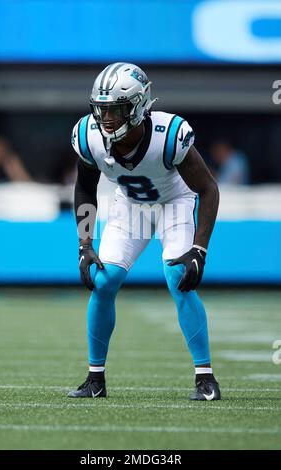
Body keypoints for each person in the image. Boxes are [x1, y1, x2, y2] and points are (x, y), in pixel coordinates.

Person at [68, 63, 221, 401]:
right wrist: (85, 243)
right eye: (102, 109)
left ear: (138, 106)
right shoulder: (89, 136)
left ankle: (205, 377)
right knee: (104, 280)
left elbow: (208, 189)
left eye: (116, 109)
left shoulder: (170, 136)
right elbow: (84, 188)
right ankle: (95, 379)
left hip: (174, 202)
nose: (106, 119)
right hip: (131, 205)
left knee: (178, 277)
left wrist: (199, 249)